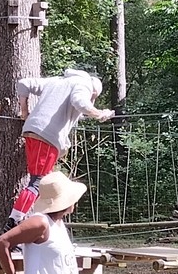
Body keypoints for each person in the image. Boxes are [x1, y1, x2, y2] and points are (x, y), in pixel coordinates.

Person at [8, 68, 114, 223]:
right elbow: (80, 103)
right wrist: (99, 113)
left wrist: (25, 113)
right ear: (94, 91)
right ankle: (14, 221)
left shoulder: (57, 81)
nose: (92, 100)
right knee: (38, 182)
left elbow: (24, 83)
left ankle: (36, 220)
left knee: (42, 180)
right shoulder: (83, 84)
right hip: (47, 137)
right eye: (94, 97)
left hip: (32, 132)